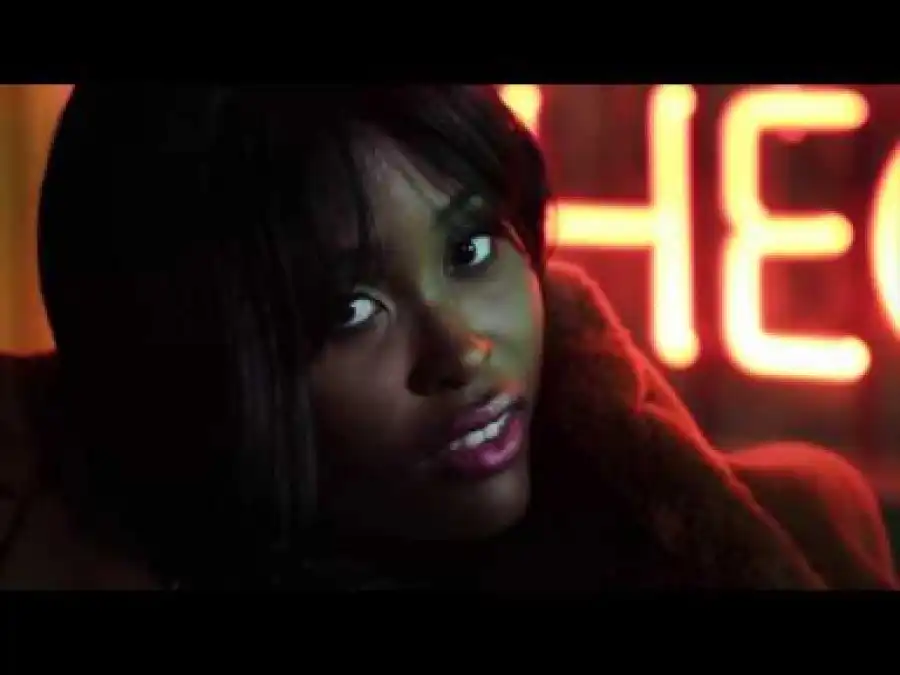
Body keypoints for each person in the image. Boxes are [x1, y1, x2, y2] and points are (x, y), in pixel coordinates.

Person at [0, 85, 895, 589]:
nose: (461, 350)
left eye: (470, 248)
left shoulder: (807, 526)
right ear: (189, 377)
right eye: (350, 311)